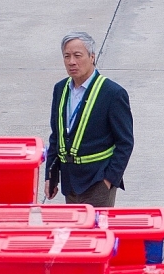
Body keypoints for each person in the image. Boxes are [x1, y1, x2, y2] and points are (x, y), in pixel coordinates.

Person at [44, 31, 134, 207]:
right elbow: (57, 136)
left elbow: (125, 142)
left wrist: (109, 180)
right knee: (76, 233)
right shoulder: (60, 89)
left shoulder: (113, 93)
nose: (72, 62)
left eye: (78, 56)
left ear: (92, 57)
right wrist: (51, 175)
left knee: (97, 233)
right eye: (67, 56)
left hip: (97, 181)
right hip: (69, 182)